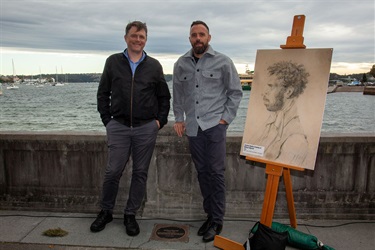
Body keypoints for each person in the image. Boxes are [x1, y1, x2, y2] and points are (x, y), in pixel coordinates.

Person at [91, 21, 171, 236]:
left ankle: (130, 214)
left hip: (146, 128)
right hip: (119, 126)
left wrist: (159, 121)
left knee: (140, 173)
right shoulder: (113, 62)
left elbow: (164, 96)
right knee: (113, 171)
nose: (138, 40)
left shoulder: (154, 66)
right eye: (134, 36)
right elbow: (103, 93)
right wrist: (108, 120)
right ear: (126, 38)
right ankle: (106, 211)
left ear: (146, 40)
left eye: (142, 37)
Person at [173, 20, 243, 242]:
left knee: (216, 173)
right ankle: (209, 215)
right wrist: (178, 119)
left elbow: (235, 92)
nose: (198, 38)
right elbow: (178, 95)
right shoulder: (181, 64)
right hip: (193, 128)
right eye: (194, 35)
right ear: (190, 38)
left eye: (202, 34)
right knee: (202, 173)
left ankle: (217, 219)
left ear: (209, 38)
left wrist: (226, 119)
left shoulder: (223, 61)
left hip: (214, 127)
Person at [253, 60, 309, 166]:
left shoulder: (296, 139)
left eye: (271, 86)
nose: (264, 92)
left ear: (288, 92)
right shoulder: (271, 124)